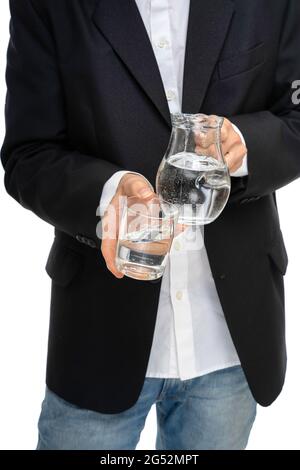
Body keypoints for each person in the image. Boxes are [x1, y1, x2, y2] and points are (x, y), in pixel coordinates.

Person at [1, 0, 299, 450]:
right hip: (98, 334)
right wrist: (106, 193)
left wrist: (242, 142)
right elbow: (29, 153)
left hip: (230, 338)